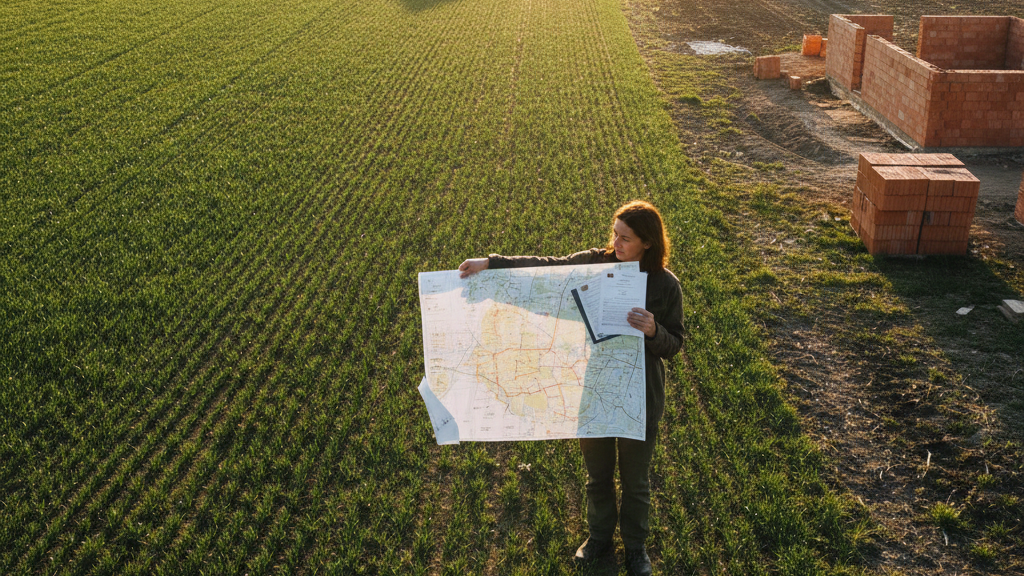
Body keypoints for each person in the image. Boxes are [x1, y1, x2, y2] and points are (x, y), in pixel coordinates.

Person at [458, 200, 684, 576]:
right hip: (594, 384)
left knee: (636, 481)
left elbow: (675, 344)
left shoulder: (666, 285)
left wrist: (653, 331)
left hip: (640, 394)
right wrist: (491, 264)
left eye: (625, 238)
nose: (616, 243)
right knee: (597, 475)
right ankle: (598, 539)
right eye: (614, 234)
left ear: (648, 242)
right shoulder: (596, 264)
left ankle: (635, 550)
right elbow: (546, 268)